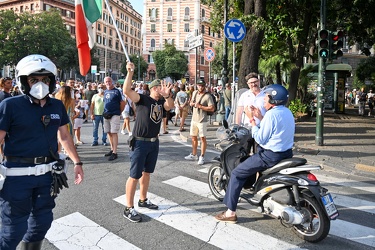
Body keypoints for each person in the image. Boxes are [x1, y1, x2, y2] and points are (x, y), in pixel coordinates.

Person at [0, 54, 84, 250]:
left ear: (52, 81)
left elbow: (64, 136)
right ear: (23, 81)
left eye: (45, 79)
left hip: (47, 176)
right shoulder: (10, 105)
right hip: (16, 176)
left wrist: (77, 163)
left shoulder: (57, 105)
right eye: (34, 80)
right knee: (13, 230)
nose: (40, 84)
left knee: (41, 223)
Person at [215, 84, 294, 223]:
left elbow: (260, 138)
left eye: (266, 98)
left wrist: (251, 119)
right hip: (286, 153)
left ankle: (230, 213)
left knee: (236, 173)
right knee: (251, 161)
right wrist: (260, 116)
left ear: (273, 99)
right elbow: (275, 128)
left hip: (269, 156)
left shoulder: (271, 114)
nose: (264, 101)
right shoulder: (287, 112)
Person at [122, 62, 174, 222]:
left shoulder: (160, 102)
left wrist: (168, 95)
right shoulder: (143, 99)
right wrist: (130, 73)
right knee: (134, 175)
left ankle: (143, 199)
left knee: (147, 173)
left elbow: (170, 106)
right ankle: (128, 208)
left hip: (153, 142)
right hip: (139, 142)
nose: (163, 88)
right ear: (153, 88)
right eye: (160, 87)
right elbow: (126, 91)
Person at [184, 79, 214, 165]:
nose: (200, 87)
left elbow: (211, 108)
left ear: (204, 86)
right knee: (193, 137)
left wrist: (200, 106)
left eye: (201, 85)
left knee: (202, 138)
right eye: (198, 85)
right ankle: (194, 154)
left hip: (202, 120)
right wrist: (191, 104)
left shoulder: (208, 96)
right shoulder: (194, 93)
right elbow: (191, 102)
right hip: (194, 119)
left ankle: (202, 156)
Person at [103, 76, 125, 161]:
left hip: (115, 114)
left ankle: (115, 152)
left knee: (114, 132)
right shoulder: (105, 92)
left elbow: (122, 103)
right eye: (106, 82)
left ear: (112, 82)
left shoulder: (117, 91)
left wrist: (119, 112)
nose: (108, 83)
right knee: (108, 132)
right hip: (106, 114)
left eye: (109, 81)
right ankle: (112, 149)